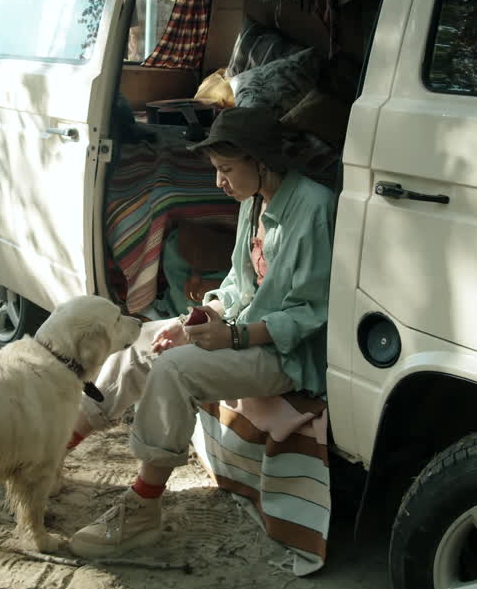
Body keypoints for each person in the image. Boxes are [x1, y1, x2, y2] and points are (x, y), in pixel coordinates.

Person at [65, 106, 336, 558]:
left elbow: (313, 312)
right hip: (245, 331)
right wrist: (199, 317)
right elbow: (236, 285)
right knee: (144, 342)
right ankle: (55, 449)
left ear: (261, 160)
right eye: (216, 171)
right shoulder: (254, 202)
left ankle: (142, 509)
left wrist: (234, 338)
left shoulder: (313, 206)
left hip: (288, 354)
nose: (219, 183)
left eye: (227, 170)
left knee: (174, 370)